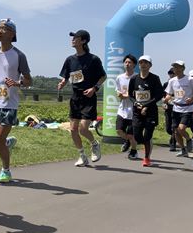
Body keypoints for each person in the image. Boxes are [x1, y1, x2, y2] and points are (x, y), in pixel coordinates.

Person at [0, 18, 32, 183]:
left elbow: (29, 80)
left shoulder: (19, 56)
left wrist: (17, 83)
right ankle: (7, 143)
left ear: (12, 34)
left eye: (4, 29)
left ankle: (6, 171)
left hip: (9, 104)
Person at [58, 30, 106, 167]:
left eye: (76, 37)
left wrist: (94, 88)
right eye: (72, 37)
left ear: (83, 41)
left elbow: (103, 76)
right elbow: (66, 76)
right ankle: (82, 156)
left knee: (83, 129)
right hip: (75, 98)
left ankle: (94, 144)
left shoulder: (93, 59)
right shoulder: (70, 60)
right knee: (73, 129)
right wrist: (62, 83)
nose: (73, 39)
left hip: (88, 97)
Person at [128, 55, 164, 167]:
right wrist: (135, 103)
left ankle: (147, 158)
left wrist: (146, 105)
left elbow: (159, 95)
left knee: (147, 136)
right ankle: (146, 145)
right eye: (141, 62)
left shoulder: (155, 78)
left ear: (150, 65)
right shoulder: (134, 79)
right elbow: (130, 95)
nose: (143, 64)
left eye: (145, 62)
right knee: (137, 136)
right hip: (137, 112)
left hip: (151, 111)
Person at [164, 60, 193, 157]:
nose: (176, 69)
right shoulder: (172, 81)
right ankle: (183, 149)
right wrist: (167, 98)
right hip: (176, 108)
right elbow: (169, 93)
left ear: (183, 68)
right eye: (174, 67)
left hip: (187, 108)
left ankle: (189, 140)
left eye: (178, 67)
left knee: (181, 128)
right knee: (176, 131)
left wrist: (192, 97)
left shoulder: (190, 80)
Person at [115, 54, 138, 159]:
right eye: (126, 62)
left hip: (134, 110)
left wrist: (127, 95)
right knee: (119, 131)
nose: (127, 64)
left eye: (130, 62)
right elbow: (117, 90)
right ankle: (128, 141)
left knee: (131, 134)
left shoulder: (137, 77)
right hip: (122, 109)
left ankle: (134, 151)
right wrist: (119, 94)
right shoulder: (119, 78)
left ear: (134, 65)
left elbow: (138, 93)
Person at [162, 68, 177, 151]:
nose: (171, 75)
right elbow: (162, 95)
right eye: (170, 73)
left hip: (178, 108)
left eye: (173, 73)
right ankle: (175, 135)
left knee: (174, 126)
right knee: (168, 128)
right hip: (168, 107)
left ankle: (173, 143)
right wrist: (164, 103)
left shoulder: (180, 84)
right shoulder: (166, 84)